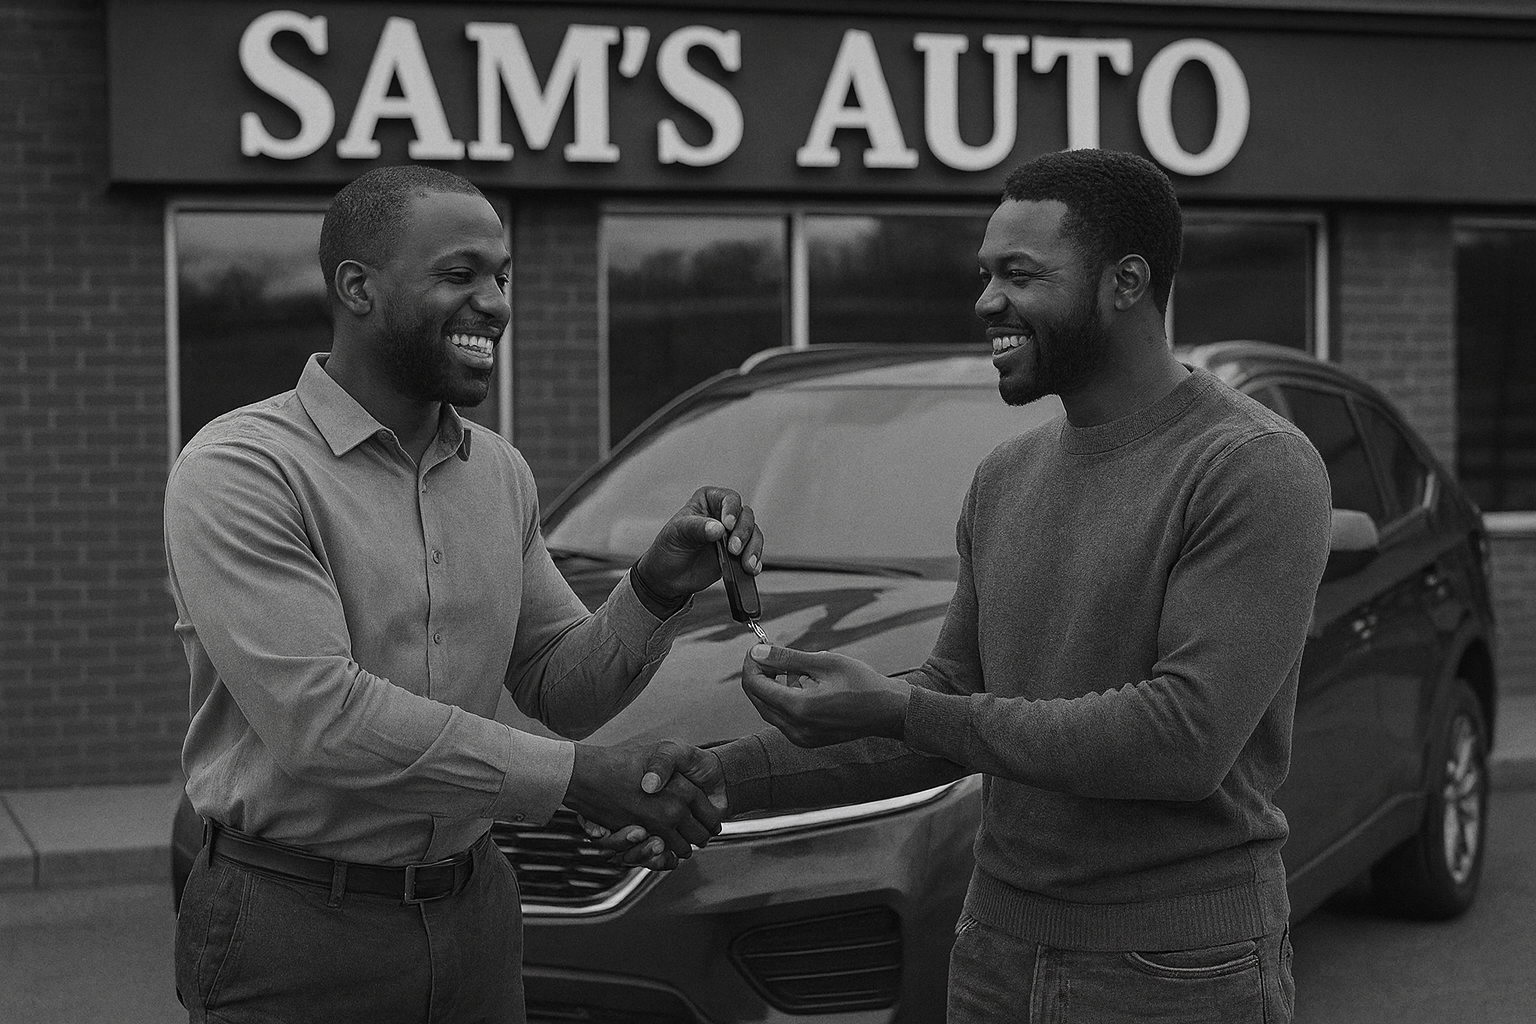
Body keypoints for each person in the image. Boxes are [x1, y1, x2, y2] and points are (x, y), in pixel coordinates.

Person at [607, 149, 1332, 1023]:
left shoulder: (1249, 466)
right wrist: (729, 777)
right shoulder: (1005, 476)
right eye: (986, 273)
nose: (986, 301)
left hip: (1177, 965)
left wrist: (897, 708)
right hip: (995, 946)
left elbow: (1180, 742)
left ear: (1126, 282)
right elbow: (952, 703)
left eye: (1020, 275)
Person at [164, 165, 758, 1024]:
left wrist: (656, 588)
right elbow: (320, 721)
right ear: (358, 288)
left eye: (502, 276)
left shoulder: (499, 472)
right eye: (459, 274)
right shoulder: (242, 469)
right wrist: (579, 781)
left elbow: (561, 687)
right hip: (294, 927)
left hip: (475, 914)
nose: (495, 302)